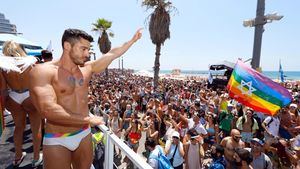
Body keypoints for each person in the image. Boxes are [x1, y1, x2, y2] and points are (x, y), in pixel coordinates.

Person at [29, 28, 142, 169]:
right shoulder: (43, 71)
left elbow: (112, 54)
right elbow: (47, 109)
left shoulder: (87, 69)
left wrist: (132, 41)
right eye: (83, 49)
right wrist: (88, 120)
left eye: (88, 49)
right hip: (58, 138)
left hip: (83, 134)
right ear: (67, 46)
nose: (87, 54)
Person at [0, 41, 42, 167]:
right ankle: (36, 158)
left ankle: (18, 156)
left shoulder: (2, 64)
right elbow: (38, 81)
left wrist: (5, 104)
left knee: (18, 127)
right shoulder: (31, 61)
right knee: (36, 127)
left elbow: (3, 88)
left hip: (13, 96)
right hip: (30, 95)